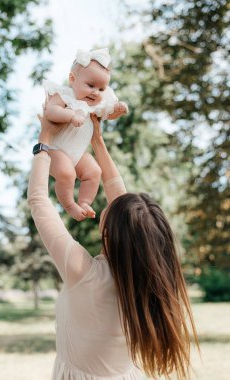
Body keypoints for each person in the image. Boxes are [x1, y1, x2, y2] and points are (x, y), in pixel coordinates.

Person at [27, 114, 199, 380]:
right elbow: (128, 212)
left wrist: (44, 141)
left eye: (109, 208)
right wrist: (96, 140)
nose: (108, 202)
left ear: (109, 233)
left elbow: (39, 199)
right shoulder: (142, 277)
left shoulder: (82, 271)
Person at [43, 48, 128, 221]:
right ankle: (69, 205)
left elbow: (108, 113)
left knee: (94, 171)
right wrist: (70, 115)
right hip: (56, 149)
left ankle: (84, 202)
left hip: (77, 154)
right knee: (67, 174)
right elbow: (50, 112)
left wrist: (117, 111)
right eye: (91, 85)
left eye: (101, 88)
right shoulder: (66, 95)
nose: (96, 92)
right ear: (72, 79)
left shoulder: (97, 103)